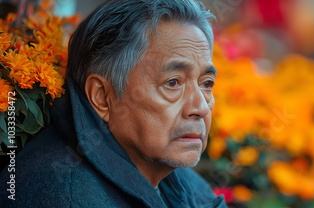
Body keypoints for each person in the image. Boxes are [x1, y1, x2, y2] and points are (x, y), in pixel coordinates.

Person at [0, 0, 226, 207]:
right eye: (173, 83)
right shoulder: (63, 196)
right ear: (102, 97)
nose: (201, 108)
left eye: (206, 83)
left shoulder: (160, 163)